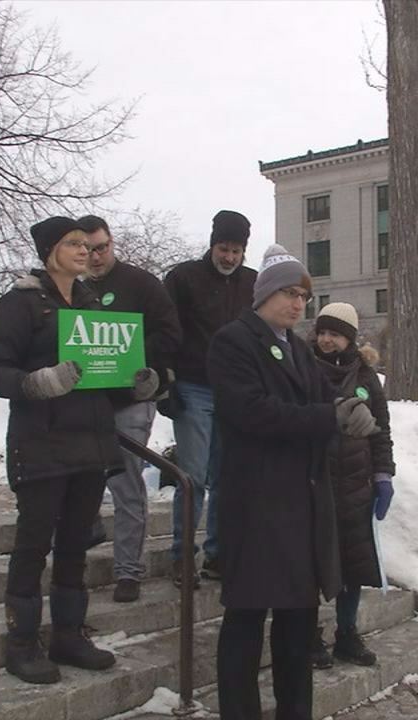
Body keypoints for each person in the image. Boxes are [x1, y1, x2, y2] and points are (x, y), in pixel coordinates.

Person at [208, 245, 379, 720]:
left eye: (304, 295)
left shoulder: (297, 349)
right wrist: (330, 417)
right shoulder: (233, 341)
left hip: (302, 508)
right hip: (257, 505)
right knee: (245, 621)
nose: (298, 303)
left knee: (297, 626)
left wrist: (352, 411)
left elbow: (326, 400)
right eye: (288, 293)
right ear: (263, 294)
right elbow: (251, 412)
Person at [0, 216, 122, 684]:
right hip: (41, 444)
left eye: (86, 243)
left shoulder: (93, 304)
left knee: (76, 546)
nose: (84, 250)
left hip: (89, 444)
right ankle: (21, 640)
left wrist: (140, 382)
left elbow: (105, 376)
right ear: (49, 252)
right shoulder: (20, 305)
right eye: (72, 243)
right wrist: (36, 383)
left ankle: (67, 634)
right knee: (33, 544)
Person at [76, 214, 182, 603]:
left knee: (125, 483)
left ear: (112, 243)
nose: (96, 256)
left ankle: (128, 571)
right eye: (87, 250)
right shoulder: (72, 288)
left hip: (131, 401)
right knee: (81, 481)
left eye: (102, 247)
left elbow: (171, 334)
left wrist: (135, 358)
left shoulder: (141, 284)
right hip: (86, 404)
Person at [161, 210, 257, 586]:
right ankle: (182, 556)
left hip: (234, 392)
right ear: (212, 244)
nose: (229, 257)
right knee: (194, 476)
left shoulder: (253, 284)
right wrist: (165, 383)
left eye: (236, 250)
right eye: (224, 248)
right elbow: (166, 330)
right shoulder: (183, 278)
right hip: (192, 388)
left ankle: (217, 554)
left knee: (226, 477)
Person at [307, 302, 395, 669]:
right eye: (323, 332)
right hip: (315, 480)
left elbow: (382, 431)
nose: (327, 340)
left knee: (352, 565)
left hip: (356, 484)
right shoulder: (304, 369)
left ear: (350, 339)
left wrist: (383, 475)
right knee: (311, 563)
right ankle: (308, 636)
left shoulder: (366, 377)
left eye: (336, 334)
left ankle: (347, 634)